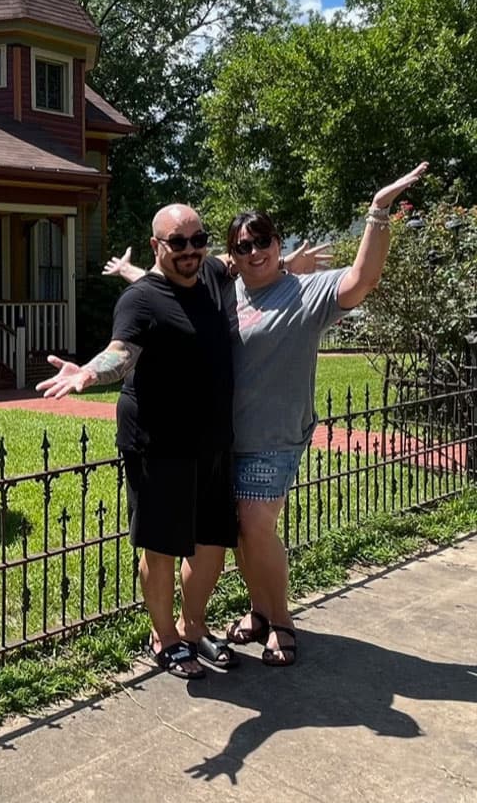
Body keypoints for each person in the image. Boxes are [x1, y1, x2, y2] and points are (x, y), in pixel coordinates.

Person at [104, 163, 429, 667]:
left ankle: (280, 621)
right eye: (242, 246)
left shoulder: (307, 292)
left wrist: (378, 211)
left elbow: (363, 279)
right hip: (216, 439)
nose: (254, 252)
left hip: (271, 436)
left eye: (263, 242)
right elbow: (162, 297)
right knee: (224, 535)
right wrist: (125, 281)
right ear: (229, 255)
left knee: (253, 525)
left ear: (278, 243)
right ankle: (225, 621)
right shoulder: (220, 286)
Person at [36, 204, 236, 679]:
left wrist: (288, 264)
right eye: (177, 242)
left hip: (211, 438)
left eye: (197, 239)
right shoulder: (141, 300)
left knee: (211, 544)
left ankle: (193, 627)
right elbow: (120, 354)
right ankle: (164, 637)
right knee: (162, 547)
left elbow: (237, 260)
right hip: (158, 440)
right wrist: (87, 372)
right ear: (157, 247)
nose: (190, 250)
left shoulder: (209, 272)